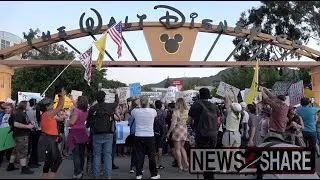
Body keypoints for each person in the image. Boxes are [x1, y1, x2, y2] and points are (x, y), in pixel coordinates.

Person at [87, 90, 119, 179]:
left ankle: (96, 175)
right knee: (107, 155)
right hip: (108, 134)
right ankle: (108, 176)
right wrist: (116, 94)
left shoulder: (93, 108)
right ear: (104, 98)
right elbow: (116, 102)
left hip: (96, 134)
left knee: (97, 155)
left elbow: (88, 122)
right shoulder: (109, 106)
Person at [188, 88, 218, 180]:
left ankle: (207, 175)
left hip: (201, 134)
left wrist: (192, 131)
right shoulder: (214, 106)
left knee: (202, 156)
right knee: (210, 155)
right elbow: (219, 120)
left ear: (199, 95)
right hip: (213, 134)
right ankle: (210, 175)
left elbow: (189, 121)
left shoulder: (195, 105)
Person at [37, 89, 66, 179]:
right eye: (51, 104)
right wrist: (62, 96)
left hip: (47, 140)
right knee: (57, 161)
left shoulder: (46, 114)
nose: (53, 105)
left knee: (48, 163)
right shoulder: (48, 114)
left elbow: (58, 112)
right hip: (49, 141)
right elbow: (60, 106)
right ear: (47, 106)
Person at [131, 96, 160, 179]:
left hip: (138, 135)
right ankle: (154, 174)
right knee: (151, 156)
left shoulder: (136, 111)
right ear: (148, 102)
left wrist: (136, 103)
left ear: (140, 102)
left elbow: (131, 110)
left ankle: (138, 174)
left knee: (139, 155)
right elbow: (155, 111)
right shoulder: (152, 111)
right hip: (149, 136)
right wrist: (150, 103)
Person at [6, 101, 34, 174]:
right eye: (28, 105)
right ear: (24, 105)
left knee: (15, 150)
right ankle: (24, 168)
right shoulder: (19, 113)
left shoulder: (19, 112)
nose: (29, 106)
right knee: (23, 151)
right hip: (21, 135)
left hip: (19, 135)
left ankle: (10, 165)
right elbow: (16, 124)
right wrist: (28, 126)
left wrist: (29, 123)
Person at [67, 96, 89, 179]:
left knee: (75, 154)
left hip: (75, 132)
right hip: (82, 132)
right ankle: (81, 170)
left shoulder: (76, 111)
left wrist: (68, 121)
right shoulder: (85, 111)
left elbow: (72, 122)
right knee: (81, 154)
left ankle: (77, 172)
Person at [167, 98, 189, 172]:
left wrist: (169, 132)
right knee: (182, 148)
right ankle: (186, 163)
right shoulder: (187, 111)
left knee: (177, 149)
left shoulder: (175, 112)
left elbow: (173, 124)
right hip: (184, 129)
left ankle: (180, 166)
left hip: (177, 129)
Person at [26, 98, 42, 168]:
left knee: (34, 147)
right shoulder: (33, 110)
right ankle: (32, 162)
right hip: (35, 129)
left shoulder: (28, 110)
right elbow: (38, 119)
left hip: (32, 129)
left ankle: (34, 161)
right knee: (34, 147)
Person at [154, 100, 167, 170]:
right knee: (160, 147)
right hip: (162, 131)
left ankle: (154, 163)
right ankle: (159, 163)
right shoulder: (163, 112)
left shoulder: (154, 112)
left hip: (154, 130)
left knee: (154, 148)